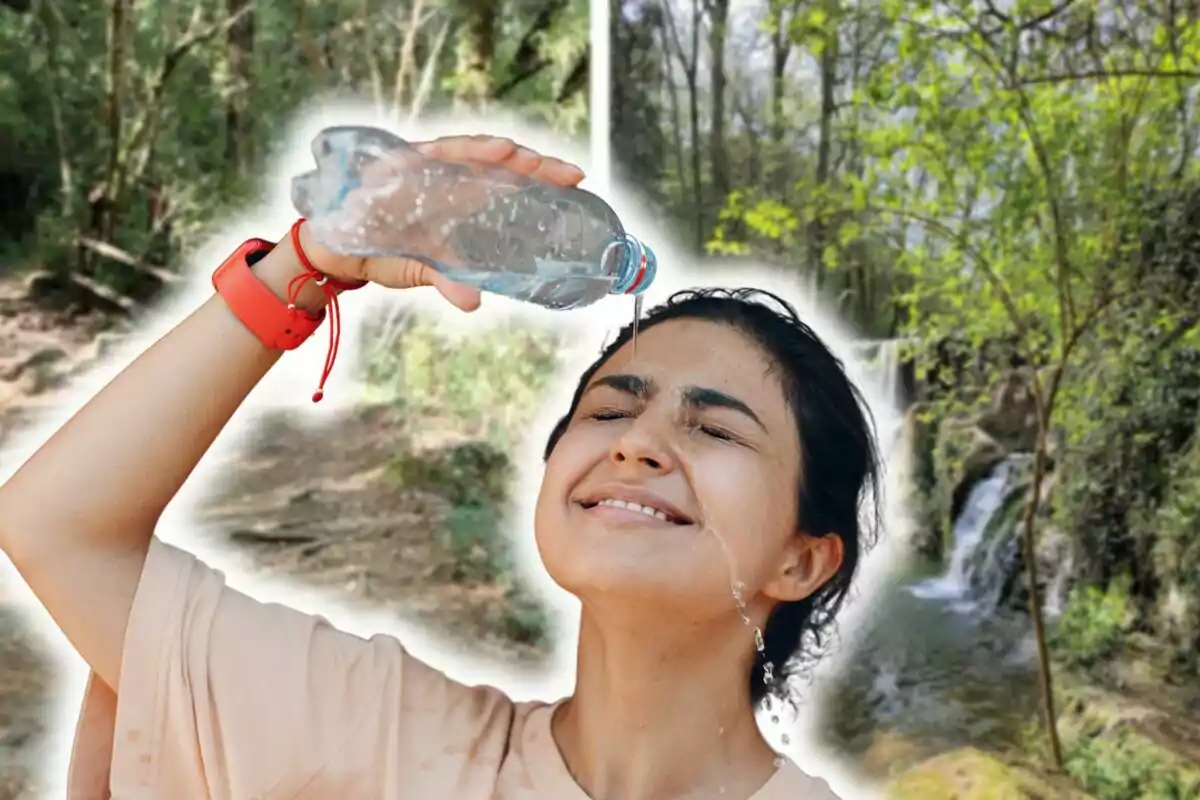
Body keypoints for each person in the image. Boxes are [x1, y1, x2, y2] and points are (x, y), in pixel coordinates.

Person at [0, 135, 879, 799]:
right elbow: (57, 526)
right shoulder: (380, 732)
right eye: (610, 408)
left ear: (802, 559)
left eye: (715, 431)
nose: (636, 442)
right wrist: (306, 266)